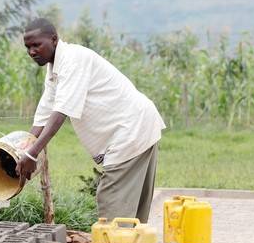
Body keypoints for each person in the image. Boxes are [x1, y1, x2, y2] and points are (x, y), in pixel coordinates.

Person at [16, 18, 166, 223]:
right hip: (136, 127)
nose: (32, 52)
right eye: (28, 47)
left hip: (131, 129)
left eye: (36, 45)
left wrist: (32, 155)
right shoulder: (55, 69)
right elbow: (45, 112)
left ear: (54, 39)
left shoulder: (73, 60)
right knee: (132, 216)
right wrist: (25, 146)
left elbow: (60, 112)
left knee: (112, 204)